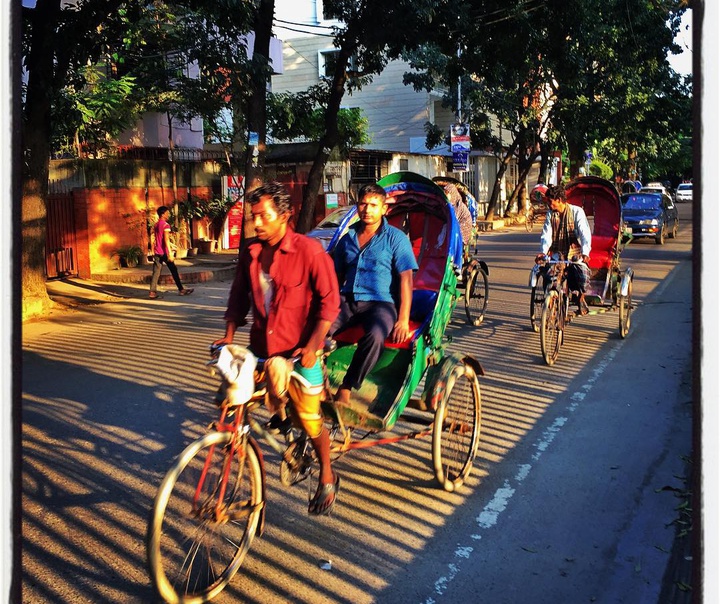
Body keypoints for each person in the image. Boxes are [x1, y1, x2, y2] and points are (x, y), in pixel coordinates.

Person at [213, 182, 341, 516]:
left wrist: (313, 346)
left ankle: (327, 472)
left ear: (285, 216)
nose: (257, 224)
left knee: (311, 421)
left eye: (264, 216)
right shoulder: (251, 252)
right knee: (227, 396)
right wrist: (228, 337)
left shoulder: (309, 251)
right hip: (261, 347)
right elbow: (238, 297)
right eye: (254, 217)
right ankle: (276, 429)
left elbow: (329, 303)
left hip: (300, 351)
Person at [331, 183, 418, 405]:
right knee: (318, 326)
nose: (367, 209)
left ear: (383, 209)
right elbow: (333, 276)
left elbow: (406, 279)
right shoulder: (347, 238)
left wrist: (403, 319)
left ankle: (347, 386)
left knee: (375, 336)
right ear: (357, 206)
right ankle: (313, 380)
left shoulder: (396, 239)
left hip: (381, 304)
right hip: (348, 299)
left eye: (373, 205)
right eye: (363, 204)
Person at [535, 183, 592, 315]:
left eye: (550, 201)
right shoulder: (550, 214)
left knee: (582, 275)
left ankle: (580, 297)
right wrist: (543, 252)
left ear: (559, 200)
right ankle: (550, 299)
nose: (548, 205)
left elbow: (584, 233)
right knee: (548, 274)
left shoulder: (577, 212)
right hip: (557, 253)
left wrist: (585, 252)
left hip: (574, 253)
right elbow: (546, 234)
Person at [149, 206, 194, 299]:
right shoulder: (166, 225)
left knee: (156, 272)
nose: (168, 214)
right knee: (174, 270)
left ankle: (152, 292)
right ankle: (181, 290)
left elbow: (156, 238)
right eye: (167, 213)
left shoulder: (156, 225)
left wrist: (154, 249)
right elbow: (165, 239)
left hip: (158, 252)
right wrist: (170, 253)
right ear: (163, 214)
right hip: (164, 252)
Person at [441, 182, 474, 247]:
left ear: (452, 193)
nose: (446, 195)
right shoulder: (450, 205)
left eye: (448, 193)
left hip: (463, 228)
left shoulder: (458, 206)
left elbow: (453, 219)